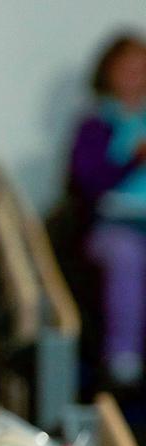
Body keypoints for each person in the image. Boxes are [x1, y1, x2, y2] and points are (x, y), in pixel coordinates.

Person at [68, 33, 146, 389]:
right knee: (126, 256)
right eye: (126, 68)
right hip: (113, 225)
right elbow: (88, 184)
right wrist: (132, 158)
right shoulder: (95, 125)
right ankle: (122, 358)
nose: (135, 75)